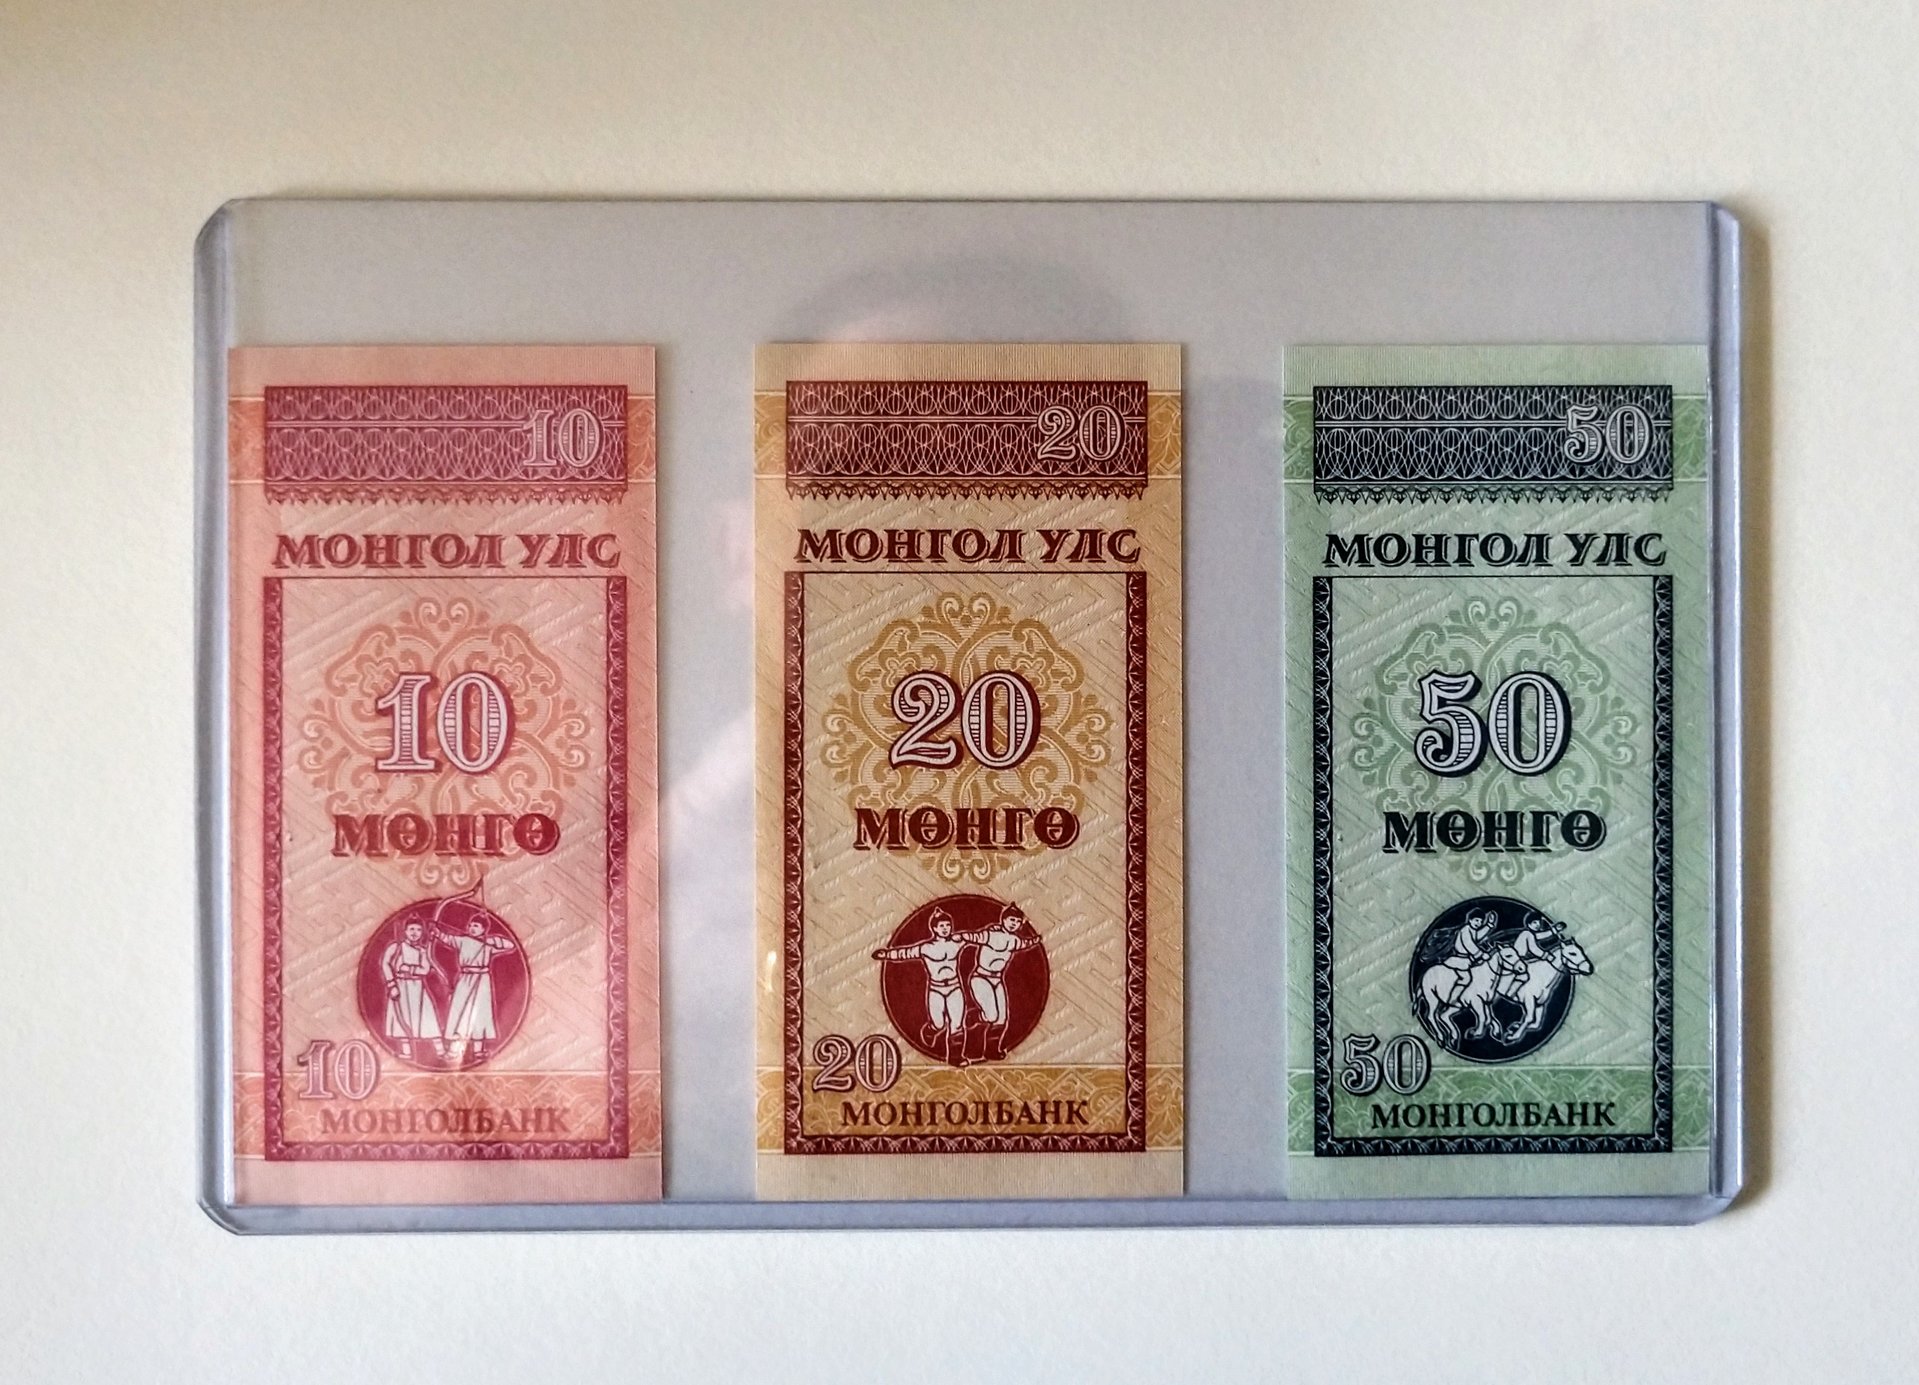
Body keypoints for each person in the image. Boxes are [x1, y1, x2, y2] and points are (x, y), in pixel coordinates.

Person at [872, 909, 970, 1064]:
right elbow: (906, 953)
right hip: (936, 990)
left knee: (957, 1023)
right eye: (941, 925)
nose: (945, 928)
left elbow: (976, 937)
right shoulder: (926, 947)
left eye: (947, 925)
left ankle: (955, 1057)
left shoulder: (957, 943)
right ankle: (931, 1030)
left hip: (954, 988)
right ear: (934, 928)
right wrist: (887, 954)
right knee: (939, 1024)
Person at [956, 905, 1044, 1061]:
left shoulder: (1015, 940)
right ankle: (974, 1016)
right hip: (981, 978)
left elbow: (1025, 944)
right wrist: (961, 936)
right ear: (1003, 920)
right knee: (991, 1016)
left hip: (997, 981)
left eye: (1017, 922)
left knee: (1001, 1018)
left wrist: (1036, 939)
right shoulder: (991, 934)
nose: (1014, 924)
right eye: (1011, 920)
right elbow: (974, 936)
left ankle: (992, 1050)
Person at [434, 913, 517, 1063]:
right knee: (460, 1013)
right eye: (471, 925)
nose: (472, 928)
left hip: (482, 982)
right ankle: (453, 1051)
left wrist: (491, 940)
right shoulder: (463, 940)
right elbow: (446, 938)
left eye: (476, 926)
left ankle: (478, 1051)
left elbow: (510, 945)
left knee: (481, 1014)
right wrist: (435, 930)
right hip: (465, 980)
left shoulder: (488, 944)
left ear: (483, 929)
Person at [380, 919, 445, 1061]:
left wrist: (407, 968)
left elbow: (425, 970)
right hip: (400, 986)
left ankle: (441, 1051)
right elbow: (386, 964)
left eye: (418, 930)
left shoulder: (423, 951)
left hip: (418, 988)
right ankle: (407, 1052)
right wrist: (392, 985)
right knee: (401, 1019)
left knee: (428, 1017)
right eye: (411, 929)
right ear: (405, 931)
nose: (415, 933)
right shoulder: (396, 947)